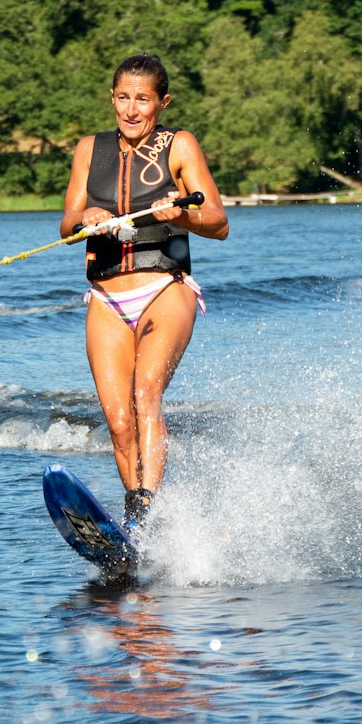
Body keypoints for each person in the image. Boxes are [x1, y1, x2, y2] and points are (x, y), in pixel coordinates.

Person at [60, 52, 229, 530]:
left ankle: (143, 510)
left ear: (162, 103)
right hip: (107, 296)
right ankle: (136, 523)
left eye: (143, 99)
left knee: (145, 394)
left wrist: (180, 214)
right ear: (111, 98)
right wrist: (86, 219)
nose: (131, 110)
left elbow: (217, 223)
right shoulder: (89, 150)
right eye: (123, 98)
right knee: (118, 421)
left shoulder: (180, 146)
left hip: (164, 288)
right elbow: (67, 222)